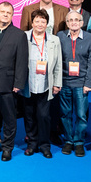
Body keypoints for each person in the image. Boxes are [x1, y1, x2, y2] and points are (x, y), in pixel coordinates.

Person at [0, 3, 28, 162]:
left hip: (8, 83)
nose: (5, 14)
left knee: (9, 118)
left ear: (12, 15)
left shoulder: (19, 35)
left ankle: (7, 147)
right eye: (2, 11)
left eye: (9, 12)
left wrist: (19, 83)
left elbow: (22, 61)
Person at [21, 9, 61, 158]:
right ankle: (32, 144)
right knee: (29, 116)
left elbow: (58, 64)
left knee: (44, 116)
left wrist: (57, 83)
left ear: (47, 24)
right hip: (28, 84)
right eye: (37, 21)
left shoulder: (54, 40)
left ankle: (44, 145)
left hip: (46, 85)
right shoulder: (23, 37)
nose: (39, 24)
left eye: (43, 21)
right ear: (32, 23)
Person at [56, 10, 91, 157]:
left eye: (77, 20)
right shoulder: (60, 36)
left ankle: (79, 142)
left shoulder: (89, 38)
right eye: (70, 20)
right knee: (65, 114)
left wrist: (88, 83)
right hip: (64, 82)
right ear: (67, 23)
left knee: (81, 115)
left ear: (82, 23)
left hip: (81, 83)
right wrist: (57, 82)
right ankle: (68, 140)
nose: (74, 22)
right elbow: (56, 60)